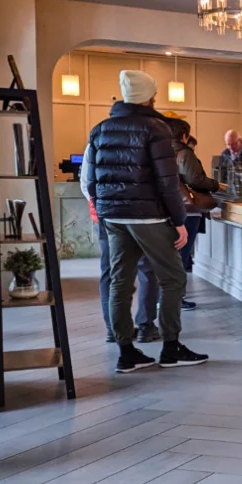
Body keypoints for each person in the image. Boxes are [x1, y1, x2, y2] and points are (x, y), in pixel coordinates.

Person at [86, 70, 208, 372]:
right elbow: (167, 183)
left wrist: (104, 210)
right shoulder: (157, 129)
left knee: (120, 282)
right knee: (173, 278)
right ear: (150, 96)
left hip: (113, 217)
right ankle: (170, 348)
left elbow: (90, 179)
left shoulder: (100, 129)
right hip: (149, 216)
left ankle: (126, 352)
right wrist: (179, 220)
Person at [80, 145, 160, 343]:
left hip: (107, 214)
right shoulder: (146, 135)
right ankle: (145, 327)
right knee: (147, 269)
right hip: (142, 215)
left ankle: (114, 329)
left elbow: (86, 183)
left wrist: (102, 204)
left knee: (110, 271)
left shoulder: (96, 139)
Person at [169, 119, 219, 310]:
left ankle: (166, 298)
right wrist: (214, 184)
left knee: (172, 256)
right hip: (188, 211)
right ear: (184, 136)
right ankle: (177, 299)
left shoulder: (162, 151)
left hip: (169, 209)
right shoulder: (185, 153)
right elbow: (195, 180)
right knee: (181, 256)